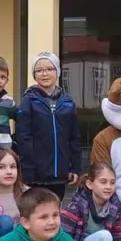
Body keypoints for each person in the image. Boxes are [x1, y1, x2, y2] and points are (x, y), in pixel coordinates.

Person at [16, 52, 82, 201]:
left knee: (55, 208)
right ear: (34, 75)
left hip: (60, 174)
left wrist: (75, 167)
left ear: (57, 71)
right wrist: (28, 171)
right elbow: (24, 138)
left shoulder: (68, 102)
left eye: (49, 69)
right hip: (36, 176)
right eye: (39, 70)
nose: (44, 73)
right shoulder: (28, 101)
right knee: (37, 210)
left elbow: (74, 138)